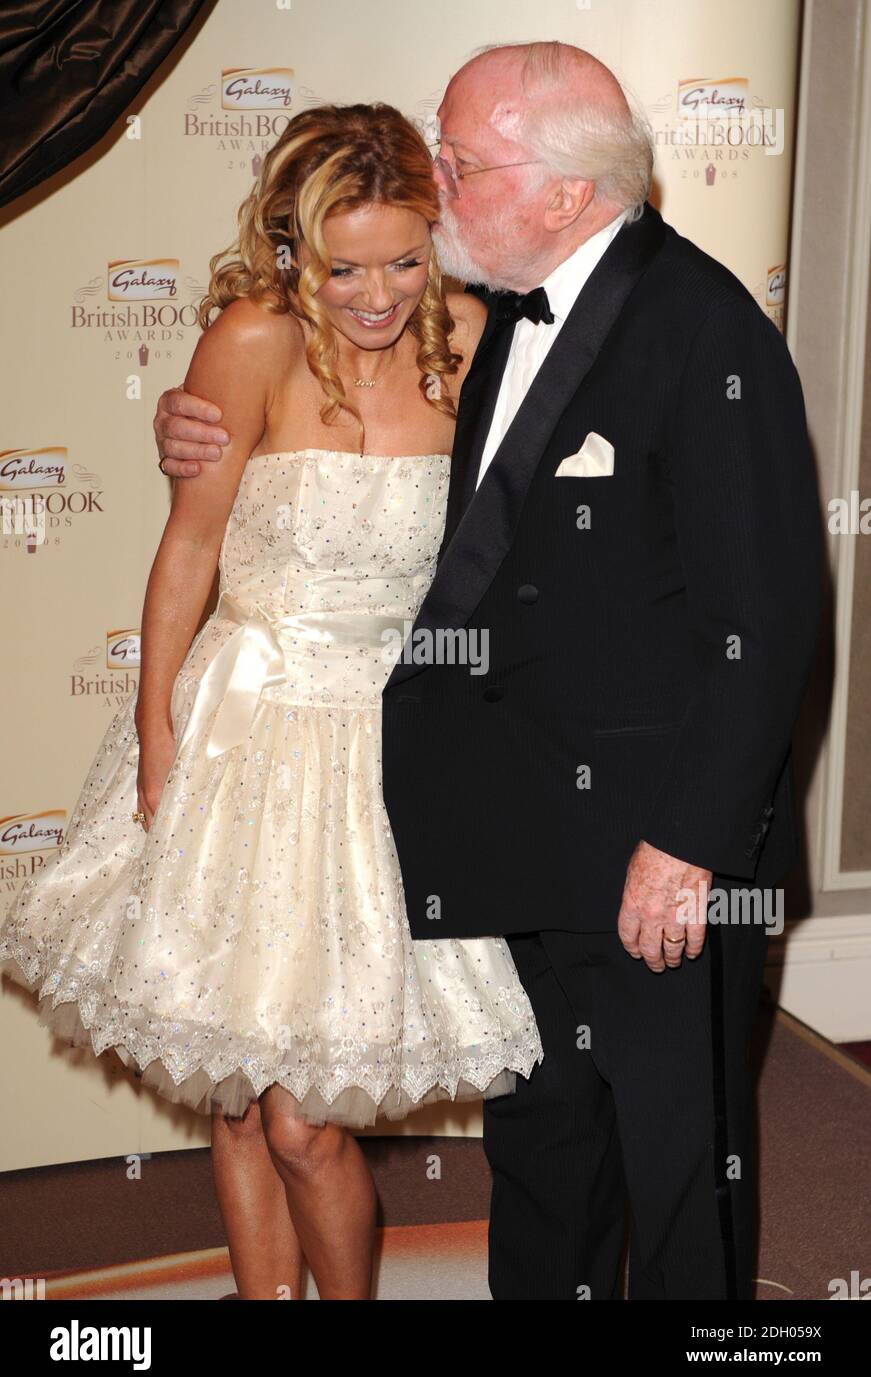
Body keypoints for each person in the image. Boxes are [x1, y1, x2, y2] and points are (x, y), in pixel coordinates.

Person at [156, 44, 824, 1302]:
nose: (436, 181)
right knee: (547, 1162)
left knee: (681, 1173)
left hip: (653, 859)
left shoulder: (702, 329)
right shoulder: (492, 311)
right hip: (521, 835)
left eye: (461, 161)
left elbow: (770, 615)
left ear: (565, 188)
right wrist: (186, 423)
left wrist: (686, 846)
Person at [0, 102, 543, 1301]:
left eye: (405, 256)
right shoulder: (249, 339)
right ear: (293, 249)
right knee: (238, 1101)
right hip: (238, 737)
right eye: (345, 266)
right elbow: (189, 550)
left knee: (306, 1120)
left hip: (388, 755)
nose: (378, 293)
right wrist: (153, 734)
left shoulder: (474, 335)